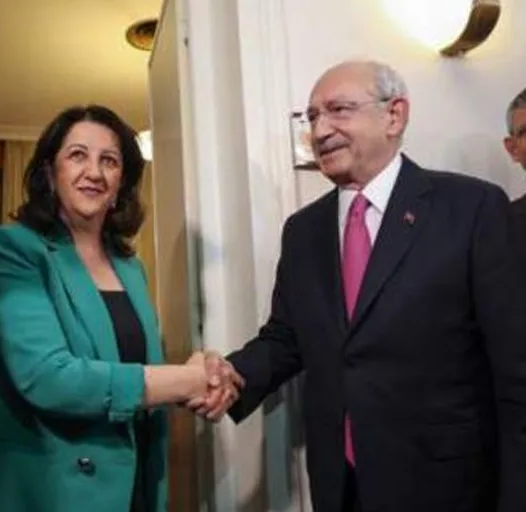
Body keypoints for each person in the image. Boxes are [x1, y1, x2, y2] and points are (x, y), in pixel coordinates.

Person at [191, 61, 526, 512]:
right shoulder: (303, 231)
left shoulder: (472, 208)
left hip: (448, 485)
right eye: (312, 117)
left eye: (339, 110)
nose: (320, 129)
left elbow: (516, 366)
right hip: (340, 485)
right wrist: (228, 375)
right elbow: (286, 338)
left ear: (394, 116)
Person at [0, 104, 241, 512]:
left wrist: (199, 370)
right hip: (50, 491)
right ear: (50, 173)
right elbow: (49, 378)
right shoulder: (12, 249)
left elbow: (131, 366)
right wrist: (185, 381)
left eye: (109, 161)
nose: (94, 172)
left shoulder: (129, 267)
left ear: (121, 185)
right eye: (77, 155)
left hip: (133, 483)